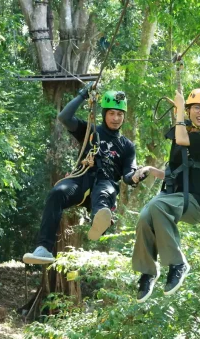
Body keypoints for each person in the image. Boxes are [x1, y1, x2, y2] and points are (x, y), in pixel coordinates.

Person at [23, 85, 140, 264]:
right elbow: (64, 117)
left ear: (124, 116)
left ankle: (100, 218)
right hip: (82, 178)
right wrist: (82, 96)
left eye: (120, 114)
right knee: (57, 193)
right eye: (112, 113)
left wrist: (136, 176)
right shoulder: (90, 131)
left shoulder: (127, 146)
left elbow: (127, 175)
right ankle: (44, 248)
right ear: (104, 114)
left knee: (104, 193)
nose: (116, 118)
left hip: (106, 182)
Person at [131, 88, 200, 302]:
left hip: (196, 201)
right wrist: (151, 170)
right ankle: (148, 271)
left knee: (158, 206)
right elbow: (174, 172)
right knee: (144, 216)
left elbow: (181, 138)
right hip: (175, 197)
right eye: (196, 107)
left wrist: (180, 111)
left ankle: (178, 263)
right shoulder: (182, 135)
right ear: (189, 111)